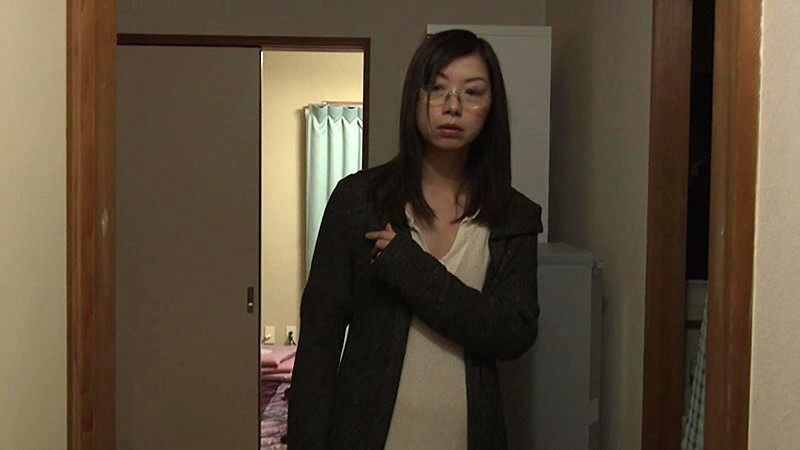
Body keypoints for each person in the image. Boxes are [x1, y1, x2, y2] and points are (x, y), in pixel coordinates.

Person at [287, 29, 543, 450]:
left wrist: (411, 268)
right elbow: (319, 347)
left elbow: (513, 333)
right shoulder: (359, 201)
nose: (452, 106)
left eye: (472, 92)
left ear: (491, 106)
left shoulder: (513, 215)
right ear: (414, 98)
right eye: (436, 88)